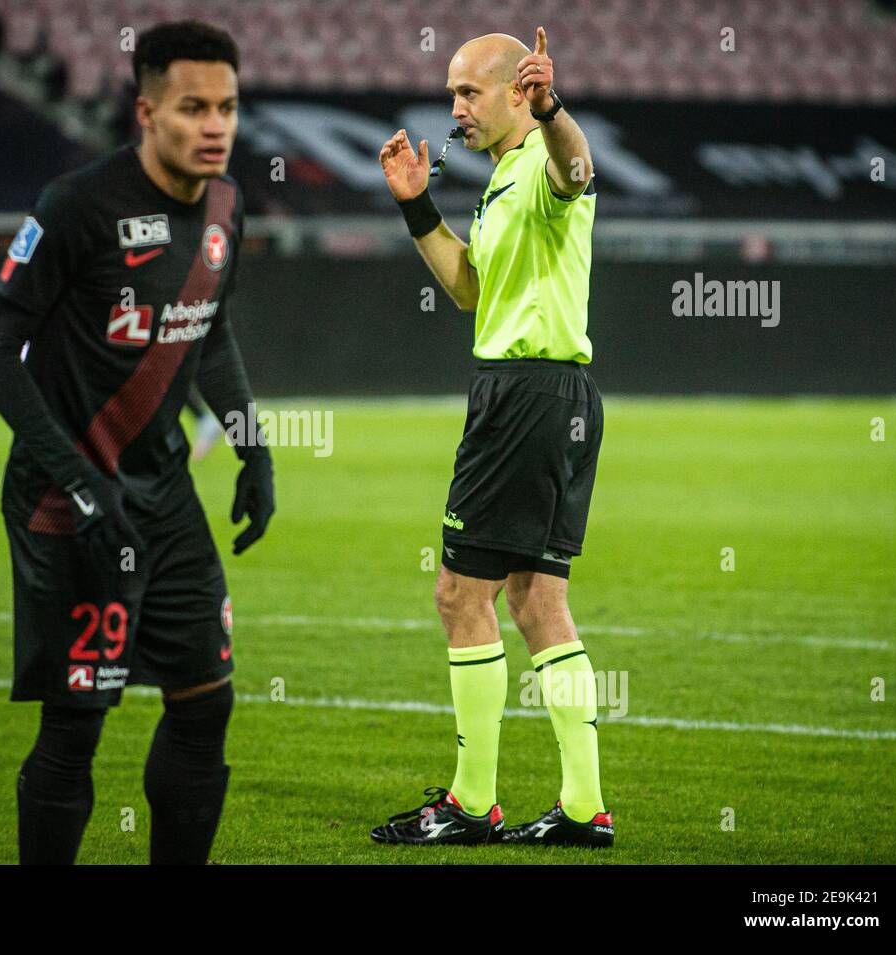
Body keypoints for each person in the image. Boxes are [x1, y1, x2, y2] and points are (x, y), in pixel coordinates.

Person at [0, 20, 274, 865]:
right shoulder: (76, 206)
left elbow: (207, 333)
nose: (214, 126)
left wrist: (253, 445)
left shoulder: (225, 205)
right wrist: (78, 481)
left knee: (206, 702)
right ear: (146, 111)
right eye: (192, 108)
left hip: (164, 496)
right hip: (67, 501)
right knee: (76, 724)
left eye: (228, 107)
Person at [371, 27, 613, 848]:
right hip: (556, 395)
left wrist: (556, 112)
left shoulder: (546, 163)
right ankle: (584, 808)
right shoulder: (503, 180)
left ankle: (474, 802)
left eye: (467, 93)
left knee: (458, 595)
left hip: (525, 397)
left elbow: (580, 171)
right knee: (538, 600)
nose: (453, 110)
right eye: (451, 93)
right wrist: (415, 205)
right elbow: (472, 288)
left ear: (519, 92)